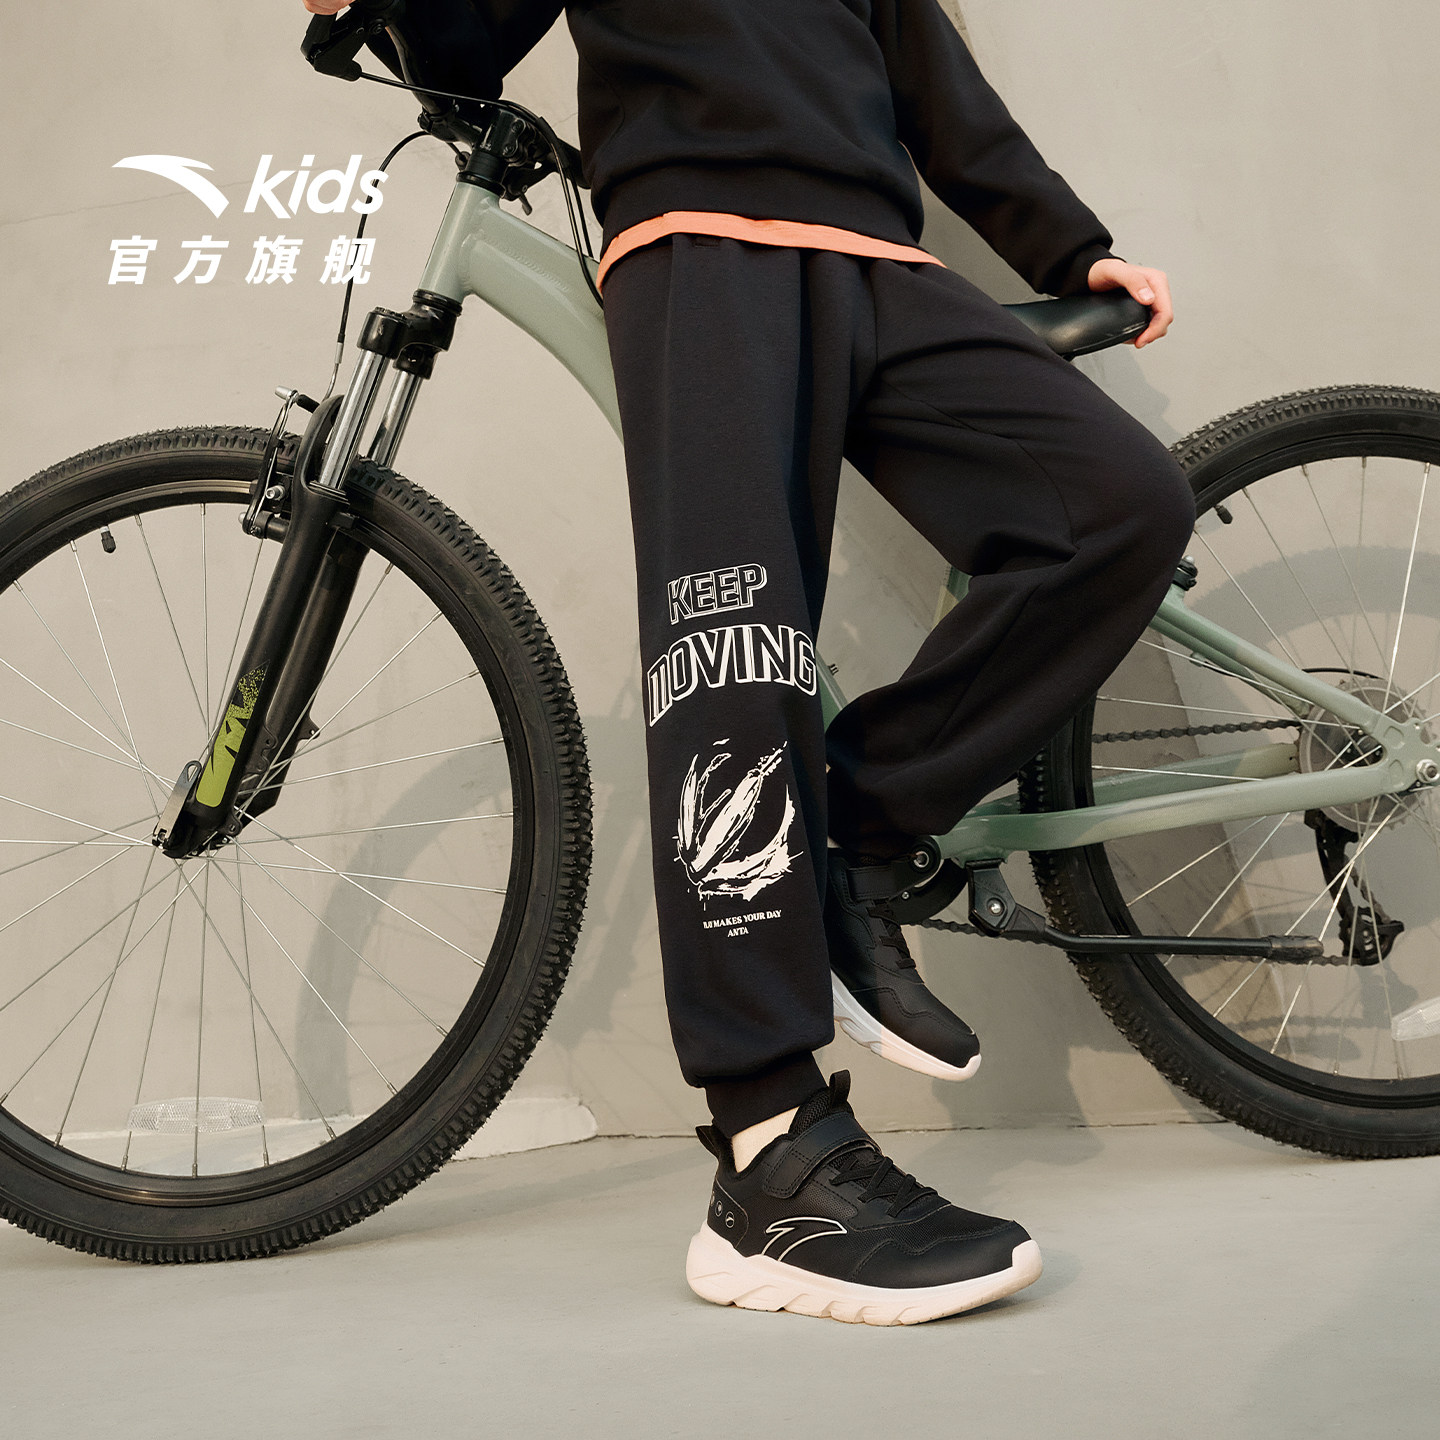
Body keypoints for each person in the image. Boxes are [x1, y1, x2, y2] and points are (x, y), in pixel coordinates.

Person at [302, 0, 1194, 1326]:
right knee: (733, 661)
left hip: (880, 262)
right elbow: (467, 39)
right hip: (699, 250)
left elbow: (931, 73)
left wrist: (1070, 244)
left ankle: (856, 834)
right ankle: (771, 1158)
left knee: (1117, 507)